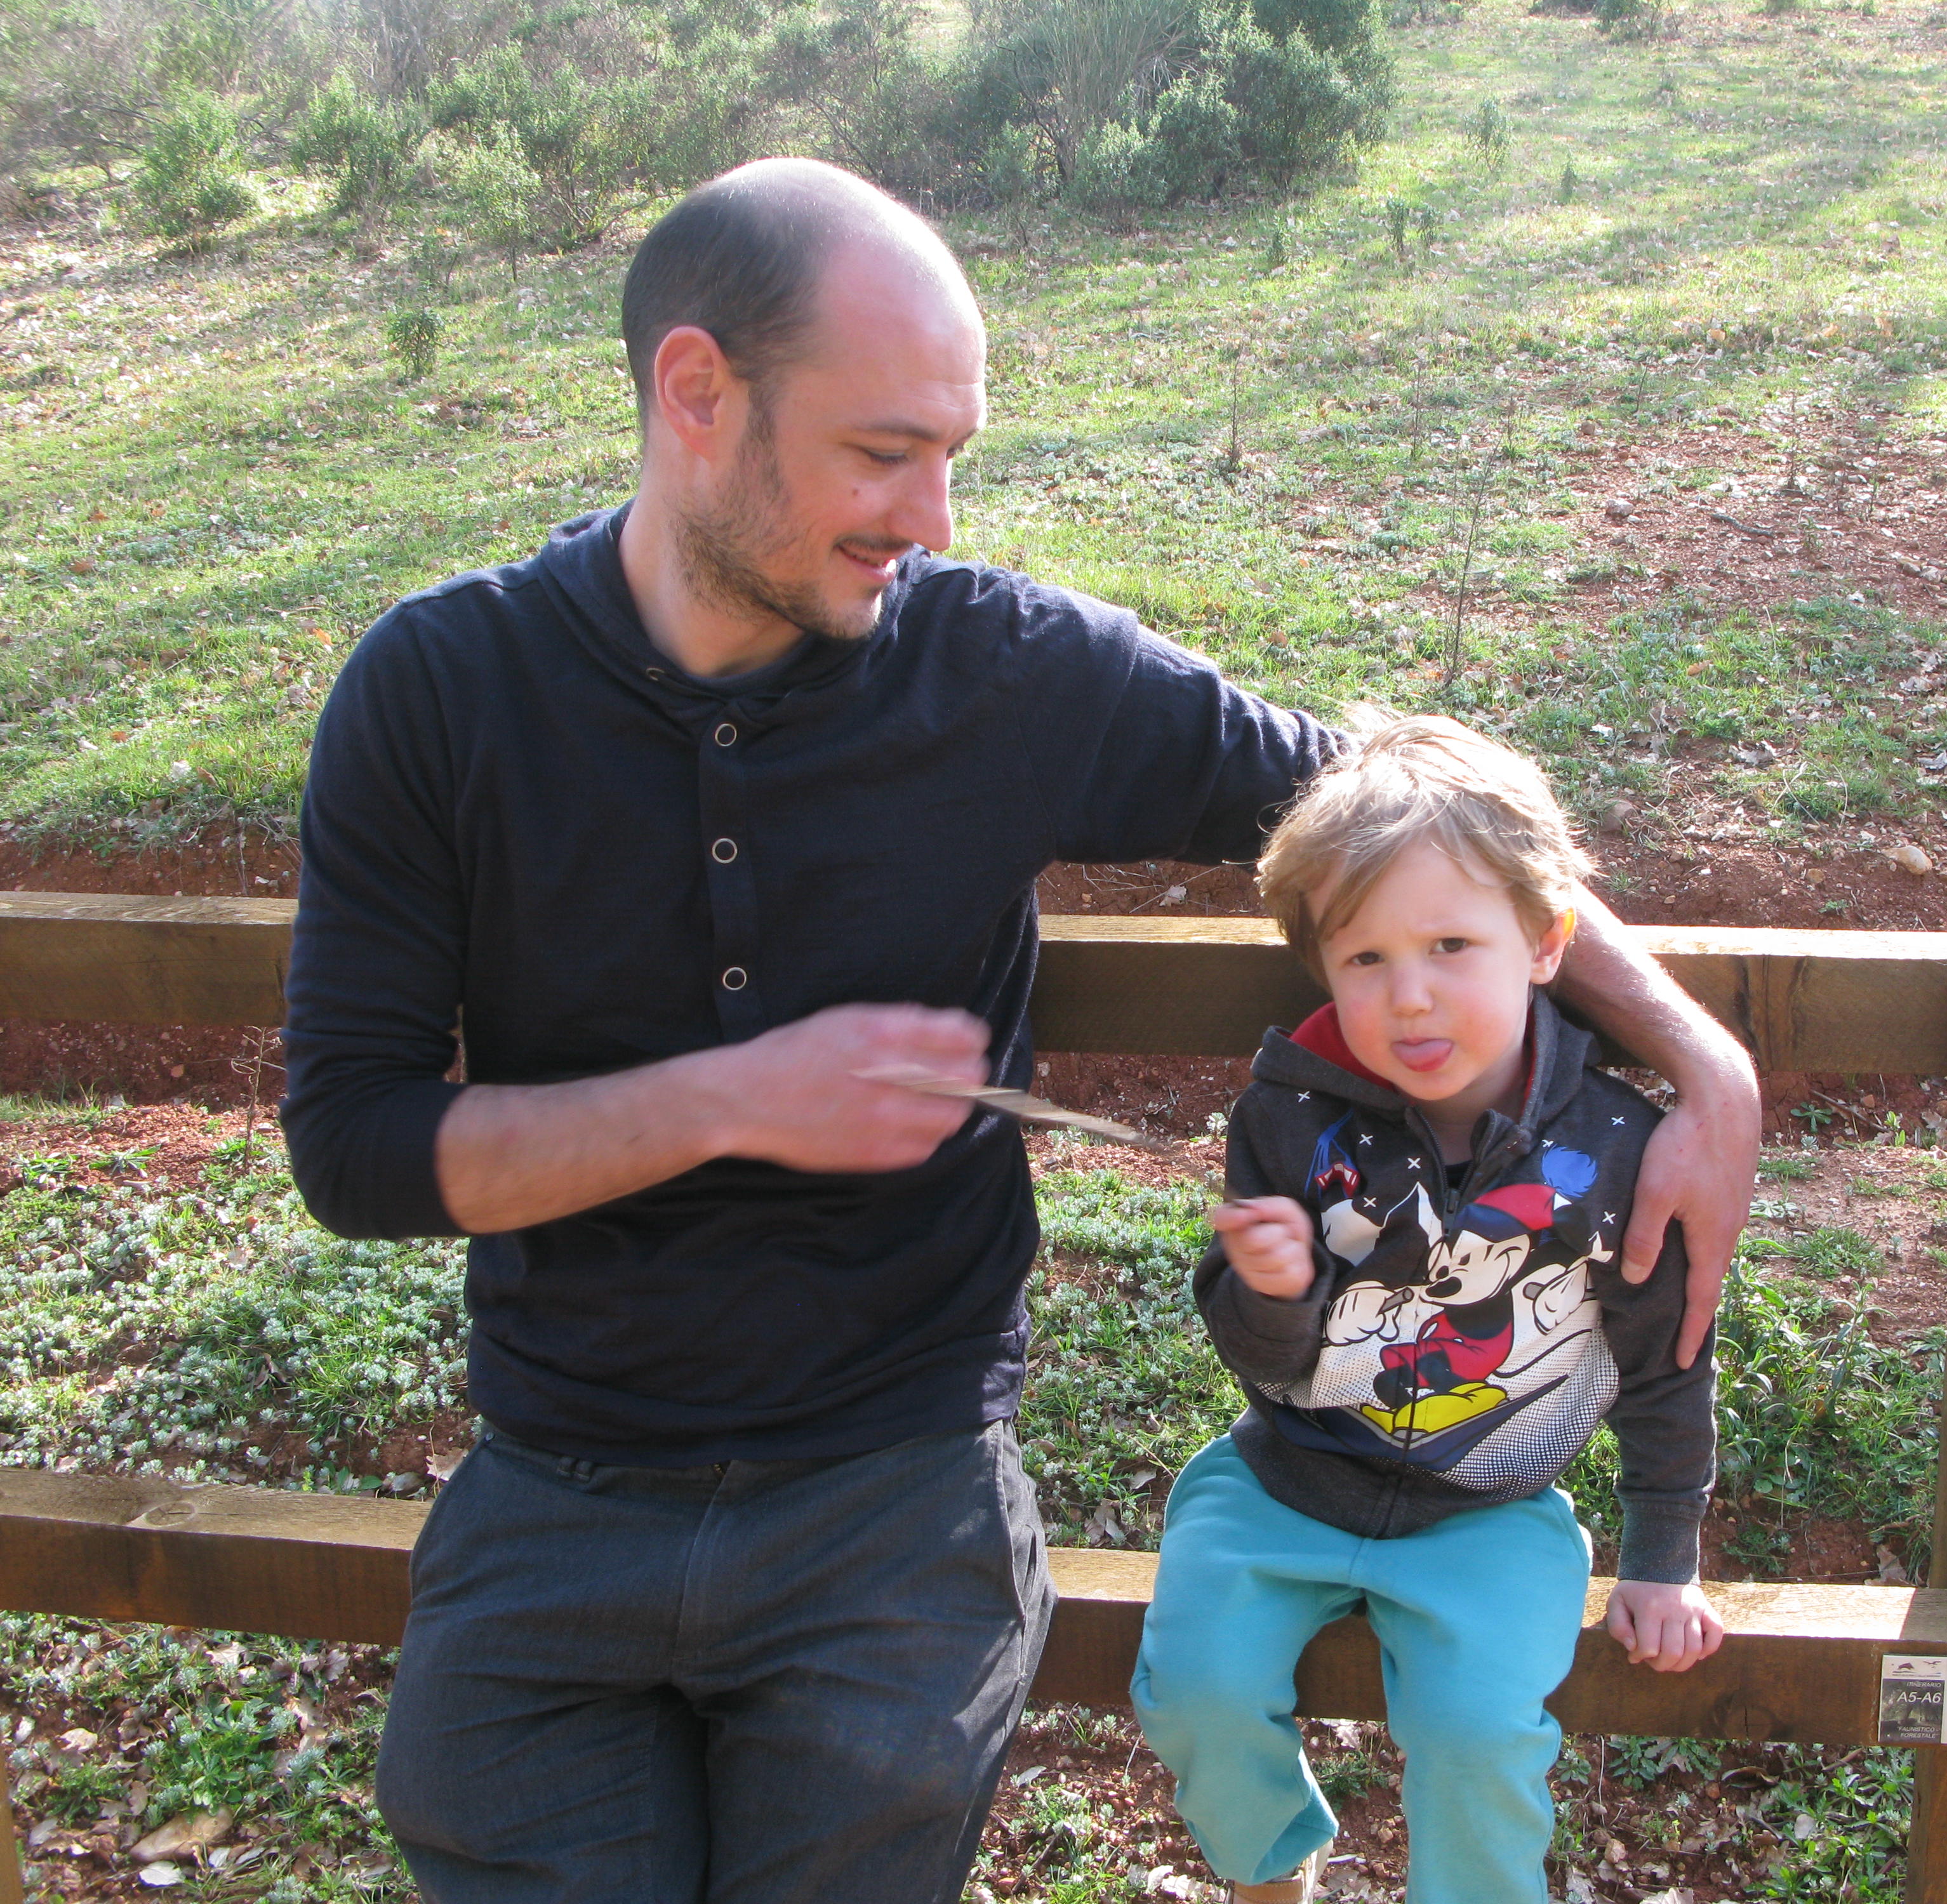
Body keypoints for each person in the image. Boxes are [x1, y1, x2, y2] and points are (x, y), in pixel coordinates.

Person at [279, 156, 1758, 1904]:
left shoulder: (1005, 671)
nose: (933, 516)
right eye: (883, 451)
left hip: (891, 1496)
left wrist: (1699, 1057)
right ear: (697, 392)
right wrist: (735, 1097)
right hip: (556, 1485)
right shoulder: (438, 692)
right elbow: (356, 1151)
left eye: (953, 454)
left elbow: (1410, 820)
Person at [1130, 716, 1724, 1904]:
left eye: (1453, 945)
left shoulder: (1617, 1146)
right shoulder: (1289, 1120)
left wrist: (1664, 1558)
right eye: (1366, 959)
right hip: (1283, 1480)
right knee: (1192, 1687)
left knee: (1479, 1733)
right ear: (1323, 966)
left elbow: (1668, 1362)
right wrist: (1273, 1291)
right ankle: (1267, 1871)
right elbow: (1264, 1362)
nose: (1411, 999)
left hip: (1492, 1512)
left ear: (1546, 942)